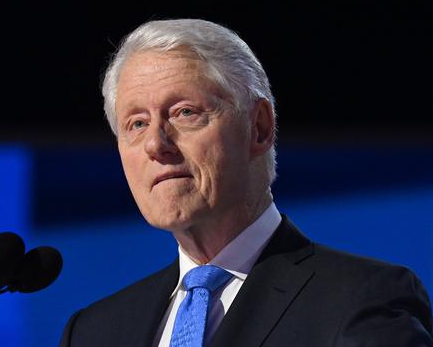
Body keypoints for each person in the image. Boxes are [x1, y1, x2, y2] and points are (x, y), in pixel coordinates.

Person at [58, 19, 432, 346]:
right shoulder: (93, 332)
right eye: (136, 123)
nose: (156, 144)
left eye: (185, 113)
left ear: (259, 128)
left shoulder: (358, 301)